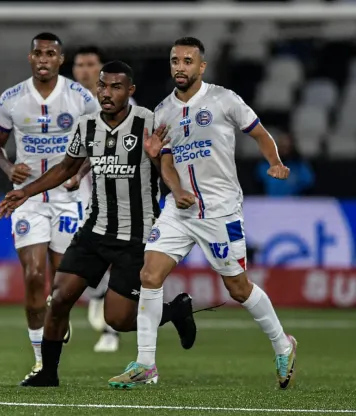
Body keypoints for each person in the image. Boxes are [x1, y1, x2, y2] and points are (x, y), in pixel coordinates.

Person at [108, 37, 298, 390]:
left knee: (238, 288)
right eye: (175, 60)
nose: (180, 66)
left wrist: (275, 162)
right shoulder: (163, 110)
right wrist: (174, 186)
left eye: (187, 61)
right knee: (149, 274)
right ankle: (146, 364)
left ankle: (283, 344)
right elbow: (165, 160)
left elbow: (259, 133)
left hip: (220, 210)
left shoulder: (224, 99)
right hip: (179, 210)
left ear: (201, 67)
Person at [0, 61, 197, 388]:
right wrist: (25, 192)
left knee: (116, 319)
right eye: (103, 86)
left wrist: (164, 166)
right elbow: (65, 168)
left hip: (136, 235)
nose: (106, 93)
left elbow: (170, 166)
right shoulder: (86, 124)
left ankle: (174, 311)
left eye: (115, 87)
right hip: (94, 230)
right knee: (59, 297)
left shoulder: (149, 122)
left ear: (129, 91)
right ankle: (48, 372)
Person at [0, 32, 100, 383]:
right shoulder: (11, 99)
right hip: (27, 199)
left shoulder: (81, 98)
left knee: (62, 287)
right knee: (34, 276)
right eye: (38, 53)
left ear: (60, 60)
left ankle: (56, 322)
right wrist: (9, 169)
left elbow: (97, 146)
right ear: (30, 58)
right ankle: (40, 359)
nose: (43, 59)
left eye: (50, 54)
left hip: (68, 199)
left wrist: (78, 173)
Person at [72, 45, 137, 353]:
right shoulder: (65, 101)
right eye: (80, 64)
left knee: (113, 260)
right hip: (74, 196)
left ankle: (111, 328)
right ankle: (95, 302)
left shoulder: (122, 102)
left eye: (91, 65)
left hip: (116, 194)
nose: (85, 70)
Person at [256, 131, 314, 196]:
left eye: (287, 147)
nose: (284, 151)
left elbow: (309, 184)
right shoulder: (264, 166)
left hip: (295, 204)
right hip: (270, 204)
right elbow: (258, 186)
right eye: (282, 146)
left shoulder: (300, 166)